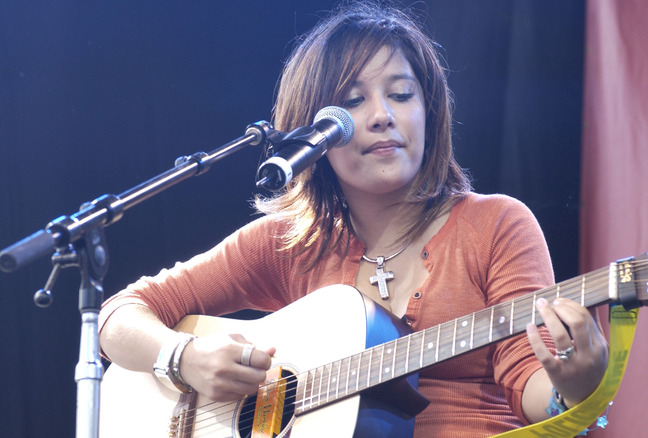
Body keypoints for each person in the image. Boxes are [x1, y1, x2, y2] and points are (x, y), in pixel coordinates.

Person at [98, 2, 609, 437]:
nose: (382, 115)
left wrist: (576, 384)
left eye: (401, 94)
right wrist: (184, 358)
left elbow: (532, 390)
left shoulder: (496, 225)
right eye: (351, 101)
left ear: (428, 110)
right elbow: (120, 315)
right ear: (312, 133)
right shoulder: (289, 243)